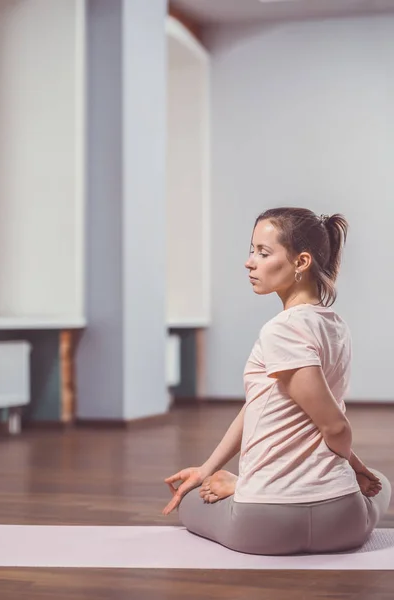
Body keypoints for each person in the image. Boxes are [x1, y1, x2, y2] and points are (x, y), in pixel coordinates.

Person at [162, 207, 392, 555]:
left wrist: (224, 481)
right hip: (342, 522)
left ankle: (242, 488)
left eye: (263, 252)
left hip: (263, 525)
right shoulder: (336, 326)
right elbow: (262, 406)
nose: (249, 262)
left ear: (301, 262)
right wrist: (357, 470)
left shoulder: (282, 330)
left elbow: (335, 427)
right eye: (252, 250)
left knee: (193, 499)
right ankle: (245, 486)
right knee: (382, 483)